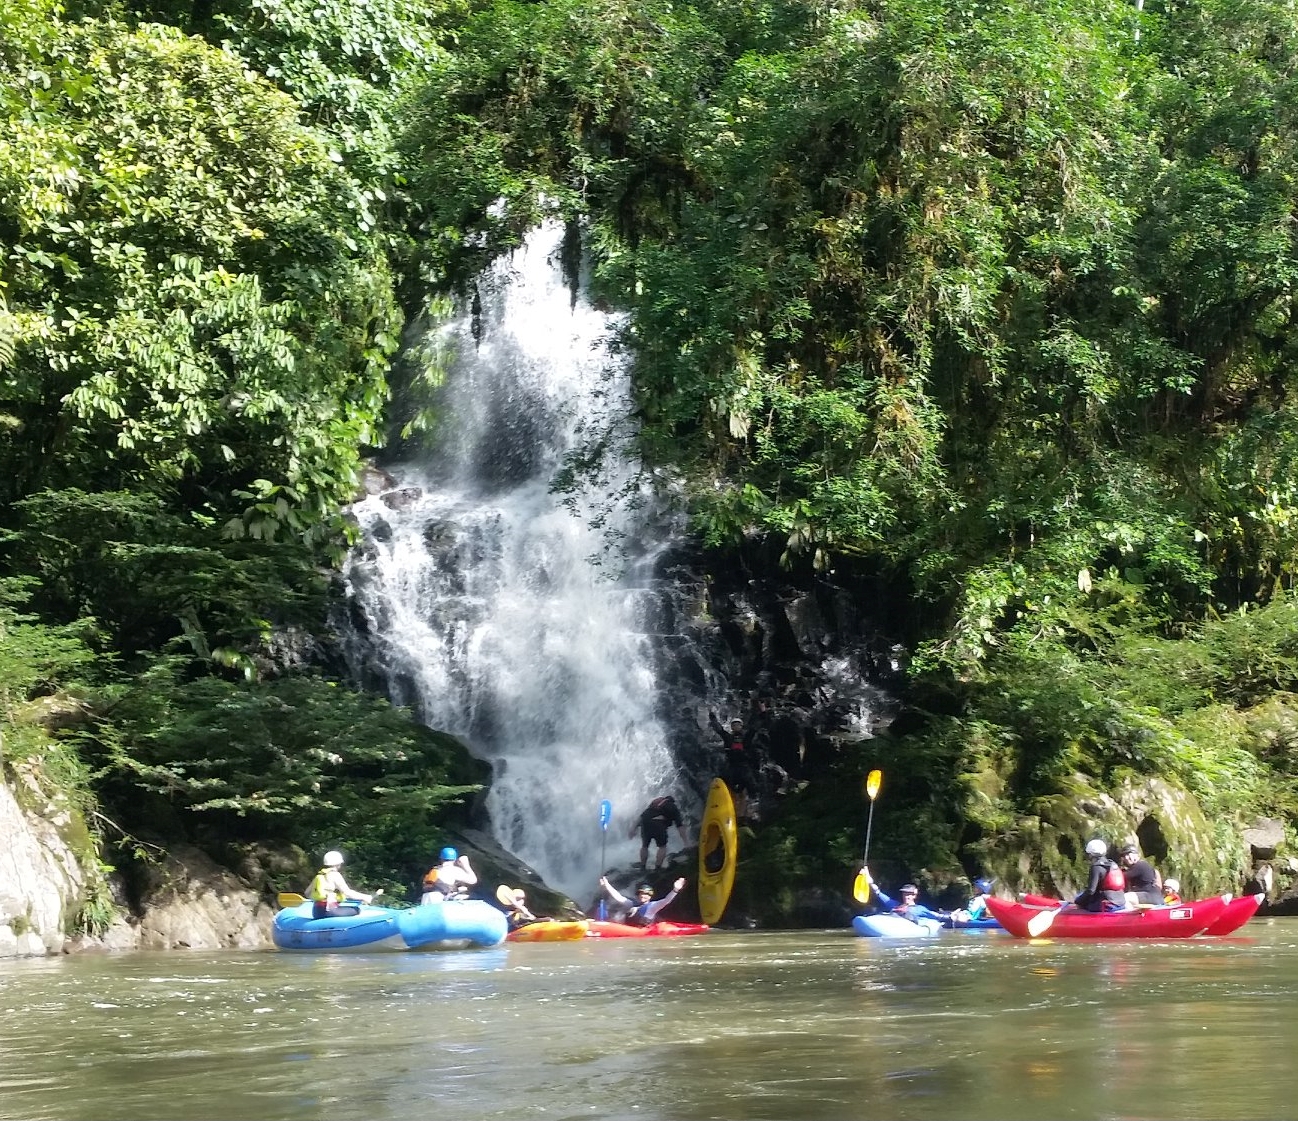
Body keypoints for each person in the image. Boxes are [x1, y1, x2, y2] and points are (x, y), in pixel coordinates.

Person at [709, 710, 759, 821]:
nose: (736, 726)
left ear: (741, 726)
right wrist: (713, 719)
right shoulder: (728, 738)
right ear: (731, 727)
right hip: (733, 767)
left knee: (751, 789)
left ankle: (746, 814)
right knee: (733, 789)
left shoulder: (746, 738)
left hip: (744, 766)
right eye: (734, 725)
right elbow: (719, 730)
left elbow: (753, 729)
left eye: (738, 724)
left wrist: (760, 713)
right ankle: (732, 813)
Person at [861, 869, 950, 925]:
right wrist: (869, 880)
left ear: (914, 895)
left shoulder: (919, 909)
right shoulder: (894, 905)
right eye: (904, 894)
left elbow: (936, 916)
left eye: (908, 894)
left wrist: (950, 917)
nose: (906, 896)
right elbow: (878, 892)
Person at [598, 876, 687, 926]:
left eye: (646, 894)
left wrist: (675, 890)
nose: (643, 896)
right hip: (631, 930)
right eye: (641, 893)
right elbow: (618, 897)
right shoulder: (633, 904)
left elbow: (666, 901)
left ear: (650, 896)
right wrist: (607, 885)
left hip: (642, 931)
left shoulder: (652, 906)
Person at [308, 850, 373, 919]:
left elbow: (307, 893)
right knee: (357, 910)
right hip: (330, 911)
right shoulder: (335, 875)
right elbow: (348, 892)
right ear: (338, 863)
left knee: (343, 909)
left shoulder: (319, 876)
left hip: (316, 912)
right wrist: (365, 897)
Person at [629, 795, 689, 870]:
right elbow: (680, 826)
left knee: (645, 846)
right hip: (658, 824)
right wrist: (686, 842)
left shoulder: (653, 804)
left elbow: (641, 817)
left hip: (645, 823)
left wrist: (633, 829)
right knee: (662, 847)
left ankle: (643, 866)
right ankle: (657, 868)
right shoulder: (673, 807)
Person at [1073, 838, 1128, 912]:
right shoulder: (1112, 864)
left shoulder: (1096, 867)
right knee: (1081, 895)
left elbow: (1091, 891)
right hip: (1121, 902)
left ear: (1091, 854)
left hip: (1108, 905)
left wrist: (1078, 901)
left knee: (1079, 900)